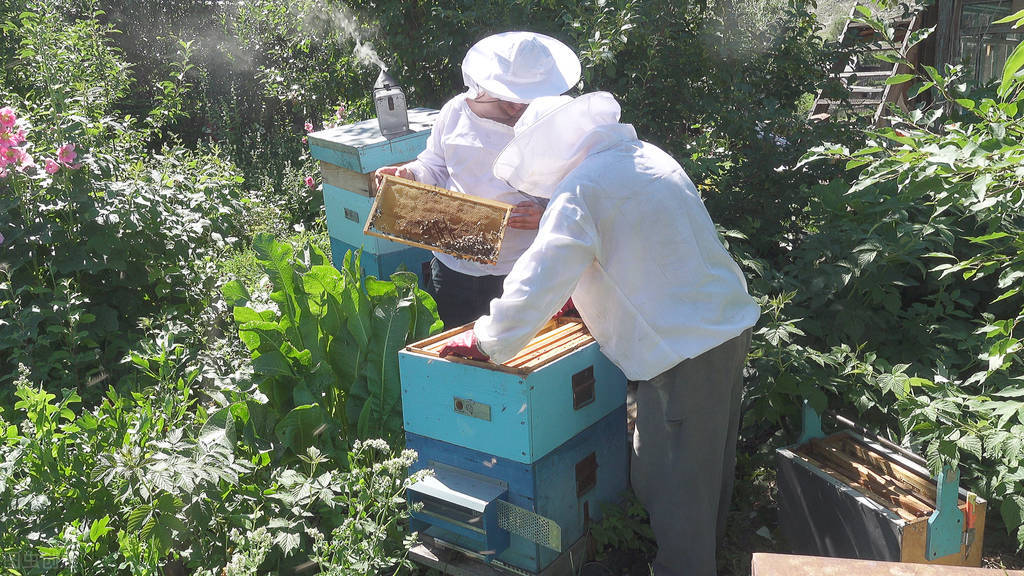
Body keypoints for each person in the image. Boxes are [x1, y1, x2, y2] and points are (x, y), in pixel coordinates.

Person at [438, 92, 761, 576]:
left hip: (685, 352)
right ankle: (707, 555)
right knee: (704, 470)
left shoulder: (582, 188)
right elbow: (644, 250)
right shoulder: (648, 157)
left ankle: (687, 566)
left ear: (551, 152)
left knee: (675, 489)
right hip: (724, 328)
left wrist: (487, 339)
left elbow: (539, 277)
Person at [374, 31, 581, 328]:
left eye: (527, 98)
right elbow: (434, 163)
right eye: (509, 94)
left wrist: (546, 214)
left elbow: (577, 191)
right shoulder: (456, 112)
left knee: (515, 361)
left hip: (523, 268)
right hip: (453, 263)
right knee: (453, 357)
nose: (516, 106)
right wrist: (410, 174)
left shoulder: (556, 125)